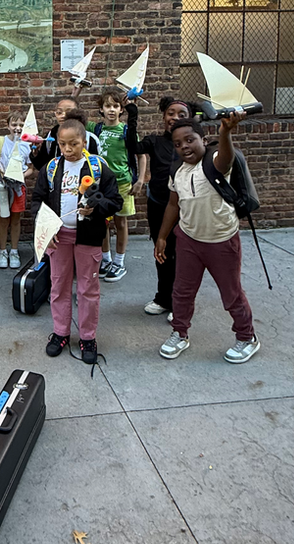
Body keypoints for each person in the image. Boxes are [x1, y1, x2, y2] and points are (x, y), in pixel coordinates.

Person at [154, 112, 259, 363]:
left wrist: (225, 132)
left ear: (203, 139)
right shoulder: (178, 170)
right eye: (178, 144)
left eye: (189, 140)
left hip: (221, 240)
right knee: (181, 292)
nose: (184, 147)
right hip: (189, 239)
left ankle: (246, 337)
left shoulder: (214, 161)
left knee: (231, 293)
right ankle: (180, 333)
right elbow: (172, 204)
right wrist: (162, 237)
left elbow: (225, 157)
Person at [29, 110, 121, 370]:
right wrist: (46, 230)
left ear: (84, 141)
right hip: (59, 238)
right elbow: (38, 201)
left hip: (89, 238)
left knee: (88, 289)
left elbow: (115, 201)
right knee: (58, 287)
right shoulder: (51, 168)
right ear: (57, 142)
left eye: (74, 144)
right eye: (63, 144)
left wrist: (96, 208)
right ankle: (60, 333)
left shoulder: (98, 167)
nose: (68, 149)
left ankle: (88, 337)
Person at [135, 96, 197, 317]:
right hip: (159, 205)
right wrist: (131, 112)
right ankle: (163, 297)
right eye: (171, 113)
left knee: (183, 255)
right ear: (163, 116)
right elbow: (132, 146)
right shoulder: (155, 142)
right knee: (162, 252)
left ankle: (180, 303)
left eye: (182, 114)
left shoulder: (194, 145)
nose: (175, 118)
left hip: (187, 208)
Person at [90, 87, 144, 281]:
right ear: (101, 109)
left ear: (122, 109)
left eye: (116, 106)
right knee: (103, 222)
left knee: (121, 222)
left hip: (122, 183)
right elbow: (72, 116)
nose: (111, 109)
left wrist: (140, 179)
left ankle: (119, 262)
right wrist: (75, 91)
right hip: (101, 184)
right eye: (107, 106)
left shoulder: (127, 130)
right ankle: (106, 259)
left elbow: (141, 155)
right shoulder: (95, 129)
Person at [0, 108, 34, 269]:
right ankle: (2, 250)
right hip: (1, 185)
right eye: (14, 124)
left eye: (21, 125)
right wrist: (0, 170)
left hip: (18, 186)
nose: (17, 128)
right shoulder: (0, 141)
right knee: (3, 218)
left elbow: (31, 168)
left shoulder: (27, 144)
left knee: (16, 219)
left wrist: (22, 175)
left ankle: (14, 250)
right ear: (8, 126)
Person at [29, 95, 100, 171]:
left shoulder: (89, 138)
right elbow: (44, 166)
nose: (63, 115)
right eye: (59, 112)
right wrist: (35, 154)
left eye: (68, 112)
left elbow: (96, 167)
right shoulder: (51, 136)